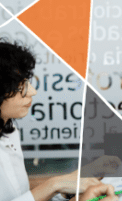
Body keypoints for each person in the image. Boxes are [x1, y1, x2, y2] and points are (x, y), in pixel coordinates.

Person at [0, 39, 102, 201]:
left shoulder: (9, 131)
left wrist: (66, 190)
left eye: (27, 82)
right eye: (19, 87)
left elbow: (23, 197)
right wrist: (54, 184)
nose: (32, 92)